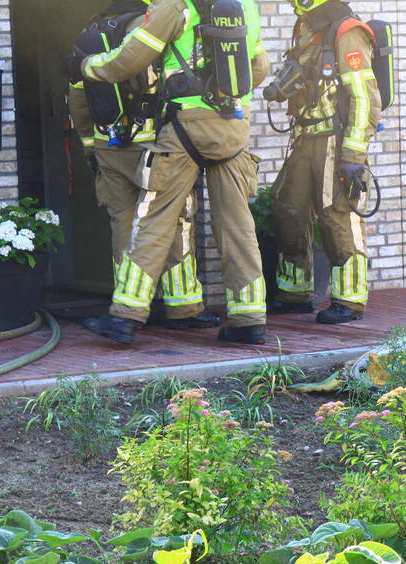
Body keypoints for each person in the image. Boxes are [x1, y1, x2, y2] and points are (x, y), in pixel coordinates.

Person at [69, 0, 270, 345]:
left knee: (154, 217)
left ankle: (125, 317)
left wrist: (87, 66)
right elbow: (261, 67)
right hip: (235, 124)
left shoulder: (177, 5)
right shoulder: (246, 6)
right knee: (237, 223)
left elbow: (129, 59)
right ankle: (249, 320)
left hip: (186, 125)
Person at [67, 0, 218, 331]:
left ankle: (131, 301)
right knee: (174, 217)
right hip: (151, 144)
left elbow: (77, 97)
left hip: (108, 147)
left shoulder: (90, 33)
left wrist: (90, 146)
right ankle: (184, 307)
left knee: (124, 224)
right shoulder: (148, 27)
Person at [269, 0, 380, 325]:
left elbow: (365, 97)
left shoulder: (347, 32)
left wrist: (353, 156)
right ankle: (294, 293)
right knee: (287, 209)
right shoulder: (307, 28)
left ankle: (350, 300)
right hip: (306, 137)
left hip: (335, 139)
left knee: (338, 216)